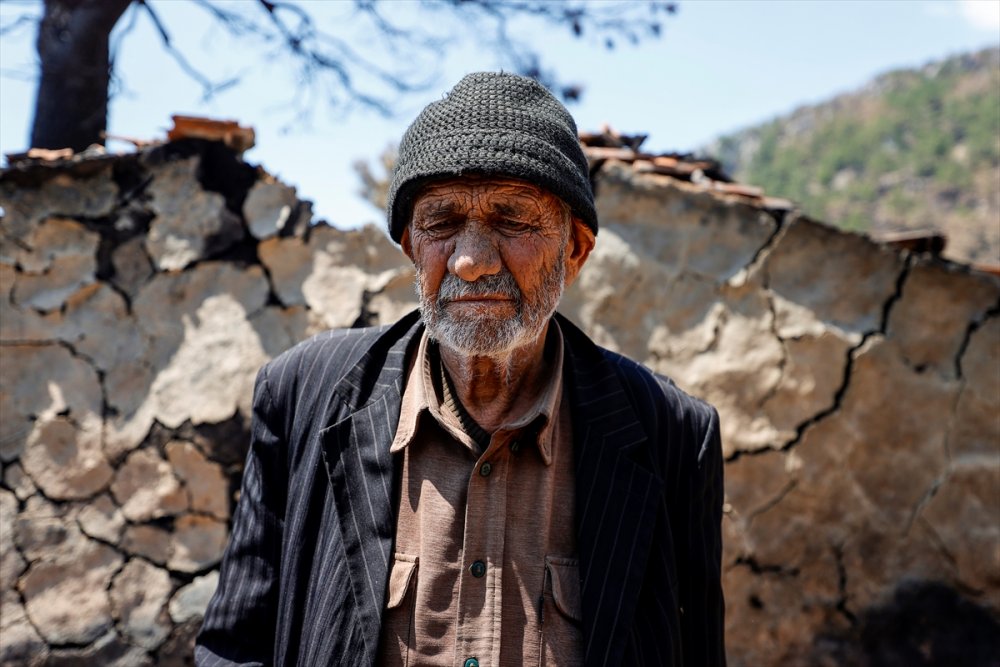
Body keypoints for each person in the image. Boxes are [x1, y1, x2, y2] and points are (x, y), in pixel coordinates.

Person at [196, 72, 725, 667]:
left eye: (513, 219)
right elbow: (233, 648)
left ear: (574, 249)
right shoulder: (302, 397)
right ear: (411, 248)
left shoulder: (671, 433)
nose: (470, 261)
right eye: (442, 223)